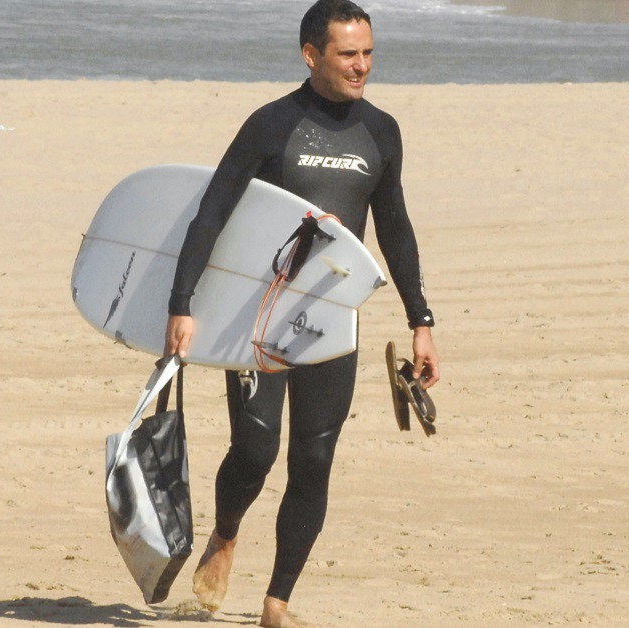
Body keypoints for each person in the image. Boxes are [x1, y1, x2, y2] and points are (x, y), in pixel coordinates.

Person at [164, 2, 440, 626]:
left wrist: (421, 320)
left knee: (314, 458)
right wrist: (182, 304)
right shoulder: (270, 125)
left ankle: (277, 601)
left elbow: (394, 228)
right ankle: (227, 531)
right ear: (312, 55)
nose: (362, 65)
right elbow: (211, 214)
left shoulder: (382, 131)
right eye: (348, 54)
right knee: (256, 449)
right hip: (257, 316)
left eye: (368, 52)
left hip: (332, 317)